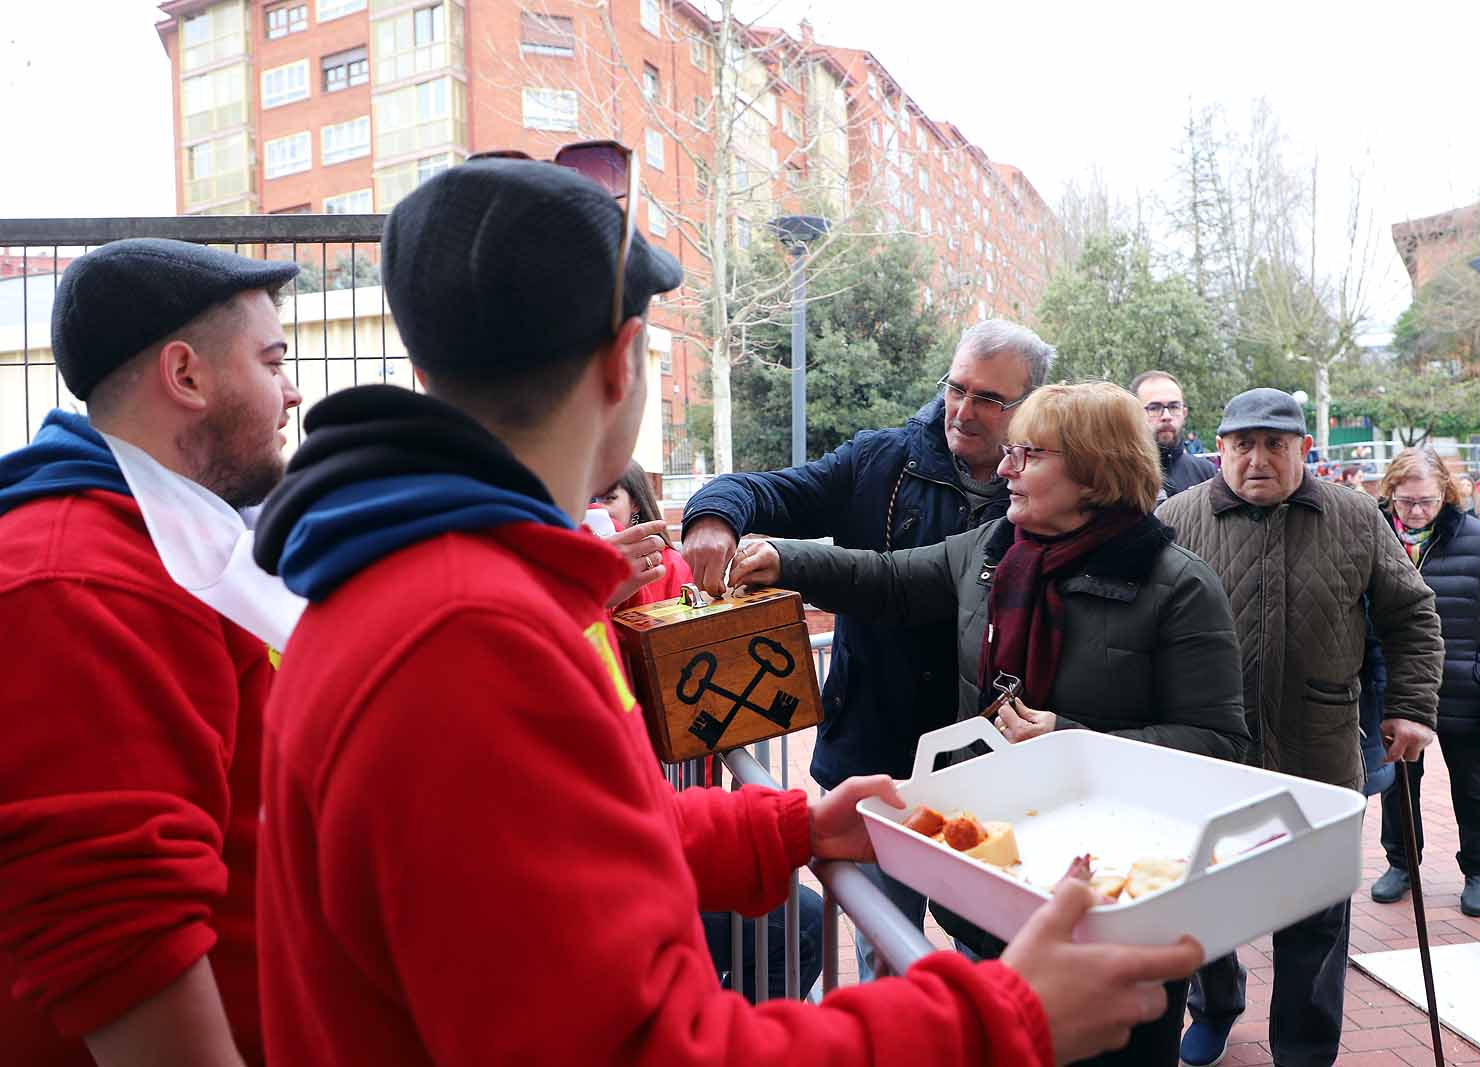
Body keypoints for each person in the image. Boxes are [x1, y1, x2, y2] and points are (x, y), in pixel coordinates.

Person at [249, 153, 1204, 1067]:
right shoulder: (467, 641)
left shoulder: (434, 591)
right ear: (625, 363)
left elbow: (563, 846)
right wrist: (1004, 1020)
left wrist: (784, 829)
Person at [730, 381, 1249, 1066]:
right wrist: (784, 560)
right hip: (997, 878)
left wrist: (1070, 738)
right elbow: (885, 579)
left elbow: (1218, 746)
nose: (1003, 469)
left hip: (1116, 904)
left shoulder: (1177, 584)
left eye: (1029, 454)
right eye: (1010, 452)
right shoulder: (993, 548)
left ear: (1095, 471)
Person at [0, 240, 303, 1066]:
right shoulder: (77, 579)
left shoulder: (168, 543)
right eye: (272, 361)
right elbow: (123, 946)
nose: (292, 391)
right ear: (187, 376)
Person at [680, 317, 1054, 980]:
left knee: (997, 958)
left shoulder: (1045, 491)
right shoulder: (879, 461)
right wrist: (712, 518)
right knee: (884, 950)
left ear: (1031, 406)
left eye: (989, 399)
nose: (964, 411)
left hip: (992, 772)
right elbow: (765, 489)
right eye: (956, 388)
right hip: (872, 762)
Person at [1155, 388, 1444, 1067]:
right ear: (1218, 449)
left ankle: (1305, 1049)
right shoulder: (1174, 519)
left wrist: (1411, 705)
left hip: (1317, 753)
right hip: (1206, 757)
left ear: (1304, 450)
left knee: (1314, 912)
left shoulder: (1353, 516)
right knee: (1204, 897)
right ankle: (1216, 1003)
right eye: (1242, 444)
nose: (1257, 458)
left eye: (1274, 444)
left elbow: (1414, 616)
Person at [597, 461, 826, 999]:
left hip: (677, 815)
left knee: (799, 921)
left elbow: (716, 646)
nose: (599, 511)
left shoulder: (672, 569)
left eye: (607, 496)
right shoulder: (553, 597)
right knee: (801, 923)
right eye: (587, 498)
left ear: (636, 504)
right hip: (633, 863)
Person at [1367, 449, 1480, 918]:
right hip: (1393, 687)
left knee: (1470, 782)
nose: (1416, 511)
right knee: (1398, 783)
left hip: (1461, 687)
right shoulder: (1372, 536)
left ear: (1446, 495)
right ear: (1390, 493)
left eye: (1426, 501)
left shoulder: (1478, 540)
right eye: (1406, 501)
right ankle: (1401, 864)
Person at [594, 459, 692, 609]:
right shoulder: (576, 563)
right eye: (591, 499)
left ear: (635, 503)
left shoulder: (673, 564)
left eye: (609, 499)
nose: (597, 508)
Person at [1131, 370, 1215, 499]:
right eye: (1154, 408)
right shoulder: (1118, 477)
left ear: (1184, 413)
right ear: (1134, 414)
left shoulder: (1206, 474)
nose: (1167, 416)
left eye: (1174, 407)